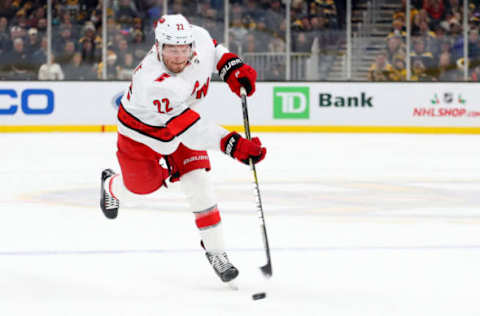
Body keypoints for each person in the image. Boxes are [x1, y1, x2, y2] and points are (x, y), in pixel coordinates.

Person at [99, 14, 265, 284]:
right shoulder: (153, 82)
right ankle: (110, 186)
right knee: (140, 189)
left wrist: (232, 68)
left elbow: (216, 51)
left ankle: (216, 252)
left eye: (183, 49)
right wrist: (233, 145)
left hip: (182, 123)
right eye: (171, 50)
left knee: (199, 184)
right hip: (140, 135)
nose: (178, 56)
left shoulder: (197, 37)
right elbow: (192, 130)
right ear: (158, 47)